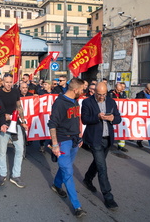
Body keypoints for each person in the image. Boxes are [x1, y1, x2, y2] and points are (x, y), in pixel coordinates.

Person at [48, 78, 86, 218]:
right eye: (82, 90)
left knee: (65, 166)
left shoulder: (75, 101)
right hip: (63, 141)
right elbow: (52, 124)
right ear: (75, 90)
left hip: (74, 140)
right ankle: (77, 206)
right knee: (68, 172)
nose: (83, 92)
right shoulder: (60, 103)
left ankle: (56, 185)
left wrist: (79, 135)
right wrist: (55, 144)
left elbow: (76, 119)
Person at [81, 82, 121, 210]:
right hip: (95, 139)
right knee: (102, 168)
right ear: (94, 92)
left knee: (99, 163)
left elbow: (118, 118)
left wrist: (112, 118)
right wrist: (97, 117)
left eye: (104, 94)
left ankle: (87, 179)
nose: (102, 97)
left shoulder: (111, 102)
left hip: (107, 139)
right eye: (99, 94)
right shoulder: (87, 102)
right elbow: (85, 119)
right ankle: (108, 196)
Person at [0, 74, 28, 188]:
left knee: (20, 150)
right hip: (3, 125)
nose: (9, 84)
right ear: (3, 82)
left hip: (16, 124)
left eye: (11, 82)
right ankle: (2, 174)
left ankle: (15, 175)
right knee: (2, 151)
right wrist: (2, 117)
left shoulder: (15, 92)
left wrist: (23, 120)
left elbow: (19, 106)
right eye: (7, 82)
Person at [108, 82, 128, 152]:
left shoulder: (122, 94)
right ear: (115, 88)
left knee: (121, 129)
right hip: (112, 113)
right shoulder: (110, 93)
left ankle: (121, 146)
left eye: (120, 90)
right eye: (118, 90)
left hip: (119, 113)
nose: (120, 92)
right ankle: (110, 144)